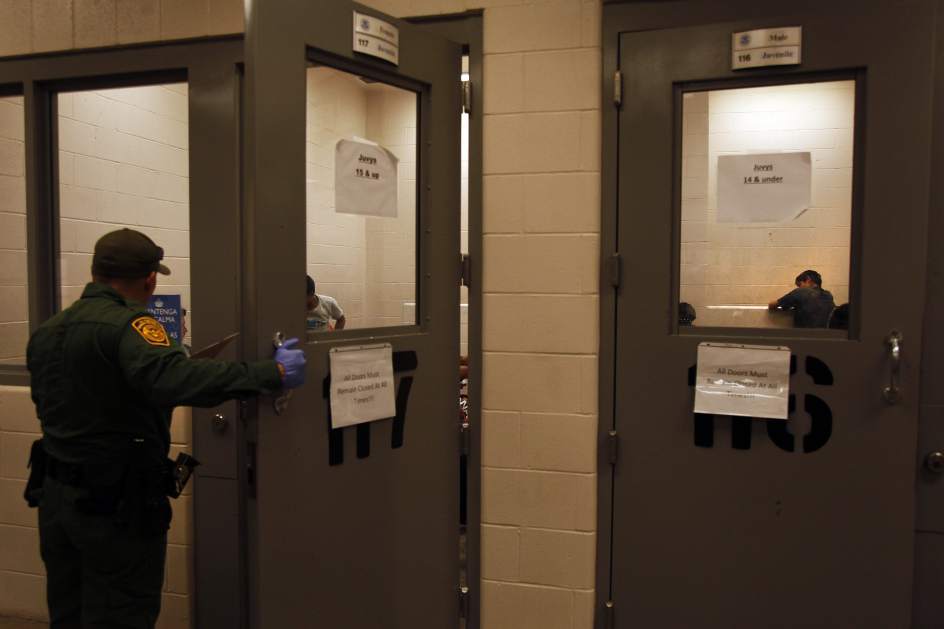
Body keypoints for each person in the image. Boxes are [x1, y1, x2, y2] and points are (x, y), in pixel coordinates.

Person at [25, 228, 306, 629]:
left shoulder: (48, 330)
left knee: (69, 611)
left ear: (95, 272)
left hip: (56, 497)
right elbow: (174, 379)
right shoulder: (132, 326)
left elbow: (66, 400)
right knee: (122, 614)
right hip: (113, 504)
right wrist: (270, 372)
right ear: (150, 280)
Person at [768, 269, 836, 328]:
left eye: (800, 285)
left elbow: (772, 305)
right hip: (826, 335)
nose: (799, 287)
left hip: (804, 334)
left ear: (808, 280)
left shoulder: (801, 291)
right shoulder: (828, 295)